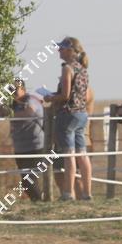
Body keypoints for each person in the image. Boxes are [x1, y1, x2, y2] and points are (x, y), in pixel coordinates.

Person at [44, 37, 90, 201]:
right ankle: (87, 193)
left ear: (70, 50)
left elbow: (65, 95)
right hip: (82, 113)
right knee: (82, 154)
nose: (59, 51)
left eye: (62, 48)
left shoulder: (67, 68)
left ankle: (68, 193)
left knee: (69, 154)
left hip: (68, 114)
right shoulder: (83, 68)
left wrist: (50, 97)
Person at [0, 79, 44, 201]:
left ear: (23, 89)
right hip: (20, 148)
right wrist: (4, 109)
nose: (12, 92)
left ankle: (41, 202)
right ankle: (40, 202)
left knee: (29, 180)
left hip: (35, 147)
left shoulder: (31, 100)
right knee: (26, 180)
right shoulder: (13, 104)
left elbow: (29, 113)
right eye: (10, 90)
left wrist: (9, 114)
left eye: (14, 89)